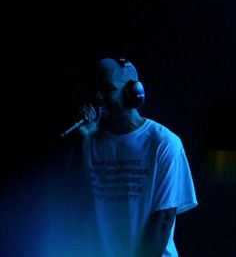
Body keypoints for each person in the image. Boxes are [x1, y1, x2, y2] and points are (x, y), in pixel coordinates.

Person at [68, 57, 198, 257]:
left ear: (133, 94)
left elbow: (162, 220)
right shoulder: (91, 142)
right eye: (96, 89)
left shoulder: (163, 143)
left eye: (108, 89)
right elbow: (79, 204)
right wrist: (84, 142)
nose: (98, 97)